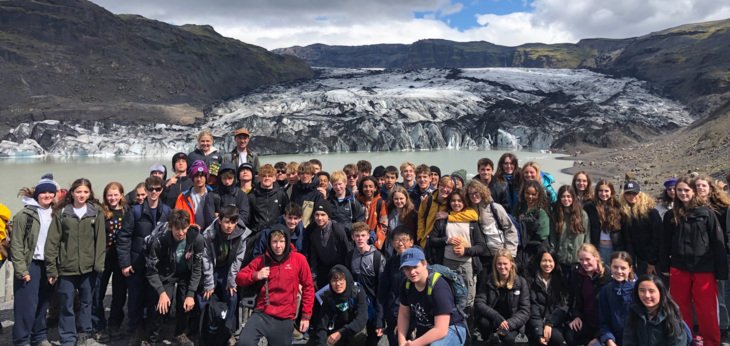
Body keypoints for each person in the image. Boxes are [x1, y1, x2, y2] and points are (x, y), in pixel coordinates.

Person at [659, 176, 727, 346]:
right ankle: (683, 339)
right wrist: (665, 267)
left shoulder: (707, 213)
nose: (682, 193)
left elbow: (717, 243)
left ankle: (711, 342)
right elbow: (664, 243)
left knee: (707, 309)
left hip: (704, 268)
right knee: (679, 307)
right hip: (678, 267)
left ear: (693, 192)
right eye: (679, 190)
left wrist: (720, 272)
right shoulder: (670, 215)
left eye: (686, 190)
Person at [45, 178, 106, 346]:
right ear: (72, 193)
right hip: (66, 267)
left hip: (88, 268)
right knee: (67, 304)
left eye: (85, 192)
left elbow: (100, 241)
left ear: (90, 194)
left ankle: (85, 332)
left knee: (87, 302)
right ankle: (67, 336)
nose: (82, 195)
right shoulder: (62, 212)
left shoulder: (96, 212)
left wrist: (98, 265)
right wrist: (51, 268)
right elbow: (52, 242)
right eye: (79, 191)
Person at [235, 225, 315, 346]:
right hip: (262, 313)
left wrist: (306, 316)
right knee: (244, 343)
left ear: (287, 241)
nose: (278, 246)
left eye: (282, 241)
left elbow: (308, 287)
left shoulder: (299, 260)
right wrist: (256, 275)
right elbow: (239, 278)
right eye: (275, 242)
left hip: (285, 317)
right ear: (269, 242)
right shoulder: (262, 260)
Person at [116, 176, 171, 345]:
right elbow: (124, 238)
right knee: (135, 299)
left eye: (158, 189)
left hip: (156, 265)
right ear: (145, 190)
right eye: (151, 189)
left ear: (162, 190)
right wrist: (125, 263)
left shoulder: (167, 211)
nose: (154, 192)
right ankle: (135, 332)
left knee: (153, 299)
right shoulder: (135, 211)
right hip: (137, 263)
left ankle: (151, 335)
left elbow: (171, 238)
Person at [143, 209, 205, 346]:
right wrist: (161, 292)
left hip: (185, 273)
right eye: (177, 229)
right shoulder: (160, 241)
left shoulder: (197, 239)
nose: (181, 233)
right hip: (166, 273)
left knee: (185, 302)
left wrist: (191, 293)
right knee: (162, 305)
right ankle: (151, 338)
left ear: (189, 226)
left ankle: (180, 333)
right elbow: (151, 270)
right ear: (171, 226)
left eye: (184, 228)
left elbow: (197, 269)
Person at [11, 174, 58, 346]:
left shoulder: (56, 213)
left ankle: (39, 336)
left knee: (43, 302)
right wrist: (21, 269)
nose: (47, 195)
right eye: (43, 192)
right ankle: (22, 340)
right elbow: (16, 244)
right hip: (30, 264)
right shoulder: (24, 215)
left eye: (50, 192)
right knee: (26, 306)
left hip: (48, 264)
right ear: (36, 193)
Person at [200, 205, 253, 345]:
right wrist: (209, 283)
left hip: (229, 270)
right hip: (213, 268)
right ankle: (204, 330)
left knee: (232, 297)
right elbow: (207, 259)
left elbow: (238, 260)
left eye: (233, 222)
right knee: (206, 296)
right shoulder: (209, 234)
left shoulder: (242, 234)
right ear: (220, 220)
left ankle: (228, 330)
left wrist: (232, 281)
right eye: (227, 222)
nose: (230, 226)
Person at [428, 189, 485, 311]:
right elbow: (432, 240)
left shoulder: (471, 221)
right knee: (449, 297)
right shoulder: (443, 220)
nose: (456, 203)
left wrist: (466, 251)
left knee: (468, 301)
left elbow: (481, 246)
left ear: (464, 202)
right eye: (453, 201)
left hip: (467, 265)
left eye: (459, 200)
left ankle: (466, 328)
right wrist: (447, 240)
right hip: (447, 263)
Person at [397, 247, 467, 345]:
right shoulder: (406, 284)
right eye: (407, 268)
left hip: (452, 328)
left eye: (415, 267)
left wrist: (414, 344)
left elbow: (441, 330)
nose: (412, 272)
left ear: (424, 264)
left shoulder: (438, 286)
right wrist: (402, 342)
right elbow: (404, 314)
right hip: (427, 328)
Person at [92, 182, 129, 342]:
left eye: (116, 194)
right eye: (109, 195)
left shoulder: (127, 212)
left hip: (121, 259)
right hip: (103, 257)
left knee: (119, 294)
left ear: (121, 195)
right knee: (98, 292)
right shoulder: (100, 212)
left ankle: (114, 324)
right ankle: (99, 326)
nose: (113, 198)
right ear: (105, 197)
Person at [475, 249, 531, 346]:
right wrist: (497, 318)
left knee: (510, 340)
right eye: (499, 264)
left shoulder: (521, 282)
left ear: (511, 264)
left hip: (512, 322)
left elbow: (525, 311)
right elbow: (479, 302)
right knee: (483, 323)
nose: (502, 267)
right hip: (493, 320)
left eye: (505, 263)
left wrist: (508, 324)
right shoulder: (488, 280)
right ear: (495, 265)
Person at [465, 179, 518, 273]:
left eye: (476, 192)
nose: (474, 196)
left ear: (482, 191)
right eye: (470, 194)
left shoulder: (495, 207)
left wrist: (510, 253)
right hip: (482, 257)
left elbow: (510, 229)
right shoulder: (468, 210)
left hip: (500, 255)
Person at [623, 274, 689, 346]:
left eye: (651, 291)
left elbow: (678, 343)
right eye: (642, 290)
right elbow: (629, 340)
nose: (647, 295)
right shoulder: (634, 312)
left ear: (661, 292)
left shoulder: (671, 315)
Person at [346, 222, 385, 346]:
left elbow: (382, 288)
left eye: (363, 235)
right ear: (352, 237)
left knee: (373, 339)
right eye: (357, 236)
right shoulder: (350, 255)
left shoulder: (378, 257)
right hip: (356, 304)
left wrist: (380, 318)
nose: (360, 239)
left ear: (368, 236)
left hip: (373, 304)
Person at [310, 265, 369, 346]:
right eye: (334, 281)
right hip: (336, 329)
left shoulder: (357, 292)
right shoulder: (328, 298)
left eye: (341, 280)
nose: (338, 284)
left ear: (347, 280)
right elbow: (322, 325)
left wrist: (340, 333)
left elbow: (362, 319)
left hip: (353, 329)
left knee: (359, 335)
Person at [377, 226, 415, 346]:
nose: (400, 243)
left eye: (404, 239)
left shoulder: (418, 264)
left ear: (411, 242)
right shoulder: (391, 262)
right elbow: (382, 291)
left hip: (412, 317)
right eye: (396, 240)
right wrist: (380, 319)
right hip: (393, 313)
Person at [565, 244, 610, 346]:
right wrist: (576, 316)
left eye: (588, 259)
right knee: (569, 334)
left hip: (602, 324)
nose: (584, 263)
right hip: (586, 320)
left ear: (596, 257)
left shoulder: (607, 276)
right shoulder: (577, 274)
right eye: (581, 260)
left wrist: (599, 336)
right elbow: (575, 299)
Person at [526, 248, 569, 346]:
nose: (547, 264)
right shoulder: (531, 281)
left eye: (550, 261)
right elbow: (533, 307)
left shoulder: (561, 280)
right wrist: (539, 331)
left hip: (555, 322)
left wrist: (550, 323)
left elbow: (563, 306)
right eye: (544, 260)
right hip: (536, 323)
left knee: (557, 338)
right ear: (539, 262)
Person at [593, 251, 636, 346]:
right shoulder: (606, 290)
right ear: (610, 267)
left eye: (623, 268)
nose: (619, 271)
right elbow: (604, 321)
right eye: (615, 267)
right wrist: (609, 340)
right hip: (613, 338)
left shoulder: (638, 289)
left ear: (630, 269)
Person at [620, 180, 662, 275]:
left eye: (634, 193)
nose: (631, 196)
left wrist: (652, 262)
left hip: (650, 260)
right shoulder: (624, 213)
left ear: (640, 194)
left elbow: (657, 237)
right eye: (628, 194)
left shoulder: (651, 212)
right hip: (633, 259)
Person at [308, 201, 353, 289]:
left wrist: (346, 275)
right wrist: (314, 276)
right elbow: (314, 257)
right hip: (323, 271)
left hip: (339, 269)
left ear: (328, 216)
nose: (319, 218)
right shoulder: (313, 233)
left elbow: (347, 252)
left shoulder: (337, 230)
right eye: (317, 215)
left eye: (323, 215)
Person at [550, 185, 590, 274]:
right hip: (561, 259)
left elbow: (587, 237)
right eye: (563, 196)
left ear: (573, 197)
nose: (566, 199)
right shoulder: (555, 215)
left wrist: (586, 255)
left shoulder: (582, 215)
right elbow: (553, 238)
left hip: (578, 260)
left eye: (569, 196)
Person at [584, 180, 626, 264]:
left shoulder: (618, 207)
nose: (603, 194)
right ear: (597, 192)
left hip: (614, 247)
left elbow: (624, 229)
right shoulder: (590, 207)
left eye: (606, 191)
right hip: (597, 247)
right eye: (601, 191)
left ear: (611, 192)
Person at [515, 180, 551, 269]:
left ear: (538, 195)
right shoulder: (519, 208)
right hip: (521, 250)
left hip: (536, 250)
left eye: (533, 194)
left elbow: (543, 234)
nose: (530, 196)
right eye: (527, 193)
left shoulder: (541, 212)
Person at [206, 162, 251, 228]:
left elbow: (244, 217)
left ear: (234, 178)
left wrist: (220, 216)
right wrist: (234, 217)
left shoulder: (241, 195)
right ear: (220, 178)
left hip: (237, 231)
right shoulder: (212, 195)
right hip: (217, 232)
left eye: (230, 178)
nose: (227, 181)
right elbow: (209, 219)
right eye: (224, 178)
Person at [248, 163, 290, 232]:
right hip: (257, 232)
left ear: (274, 178)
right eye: (264, 176)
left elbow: (286, 213)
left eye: (270, 176)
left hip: (277, 232)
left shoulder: (281, 194)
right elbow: (248, 217)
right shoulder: (252, 196)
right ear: (259, 178)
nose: (267, 178)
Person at [416, 176, 455, 248]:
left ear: (452, 190)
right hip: (426, 242)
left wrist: (449, 215)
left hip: (444, 243)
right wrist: (420, 237)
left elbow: (469, 215)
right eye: (442, 186)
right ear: (438, 186)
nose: (445, 189)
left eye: (448, 187)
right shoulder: (428, 200)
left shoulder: (453, 203)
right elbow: (421, 218)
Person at [175, 160, 215, 229]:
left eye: (202, 176)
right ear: (192, 178)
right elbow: (177, 218)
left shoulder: (214, 194)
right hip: (190, 233)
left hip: (210, 234)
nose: (199, 179)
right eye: (196, 176)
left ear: (206, 177)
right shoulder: (183, 197)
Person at [327, 170, 365, 235]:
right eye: (335, 185)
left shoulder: (353, 202)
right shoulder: (328, 202)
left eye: (340, 184)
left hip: (349, 238)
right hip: (332, 239)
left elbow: (360, 222)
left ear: (345, 183)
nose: (338, 187)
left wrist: (348, 228)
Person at [356, 176, 388, 251]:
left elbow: (383, 225)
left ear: (375, 188)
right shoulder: (357, 202)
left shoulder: (381, 203)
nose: (368, 189)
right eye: (365, 186)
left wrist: (376, 241)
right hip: (359, 239)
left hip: (374, 241)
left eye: (371, 186)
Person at [385, 186, 417, 257]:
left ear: (406, 198)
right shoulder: (389, 211)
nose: (399, 201)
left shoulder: (412, 213)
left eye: (401, 198)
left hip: (406, 248)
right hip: (391, 248)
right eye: (396, 199)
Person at [290, 161, 324, 228]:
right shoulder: (295, 189)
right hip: (295, 225)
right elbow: (291, 206)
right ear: (299, 175)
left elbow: (318, 213)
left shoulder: (317, 192)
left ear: (312, 175)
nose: (305, 176)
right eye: (302, 173)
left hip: (311, 227)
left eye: (307, 173)